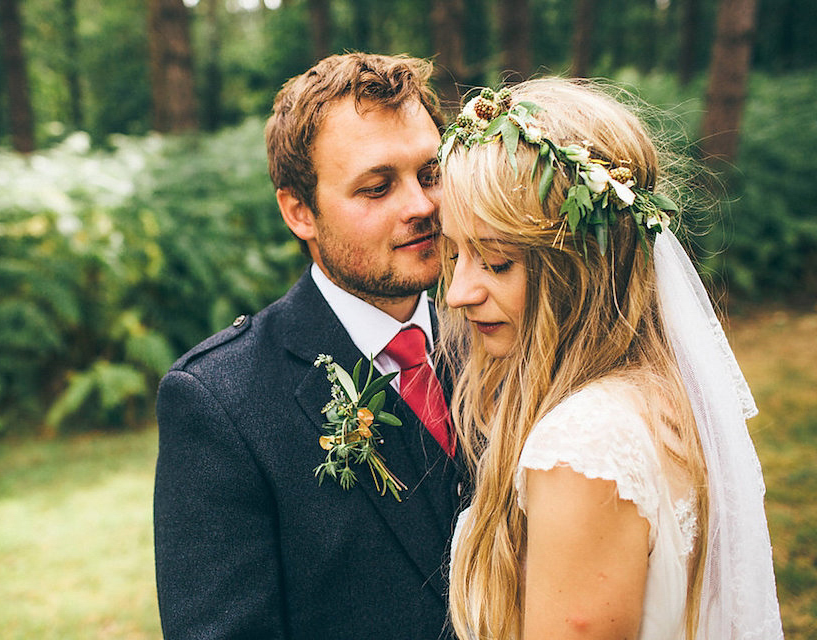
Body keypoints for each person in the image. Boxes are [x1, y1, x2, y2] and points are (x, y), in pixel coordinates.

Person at [435, 78, 783, 639]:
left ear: (580, 267)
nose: (457, 292)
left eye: (496, 262)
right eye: (455, 254)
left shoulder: (581, 448)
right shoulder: (660, 394)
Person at [154, 53, 466, 640]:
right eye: (377, 188)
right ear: (300, 211)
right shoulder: (220, 402)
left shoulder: (504, 342)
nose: (422, 206)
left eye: (430, 174)